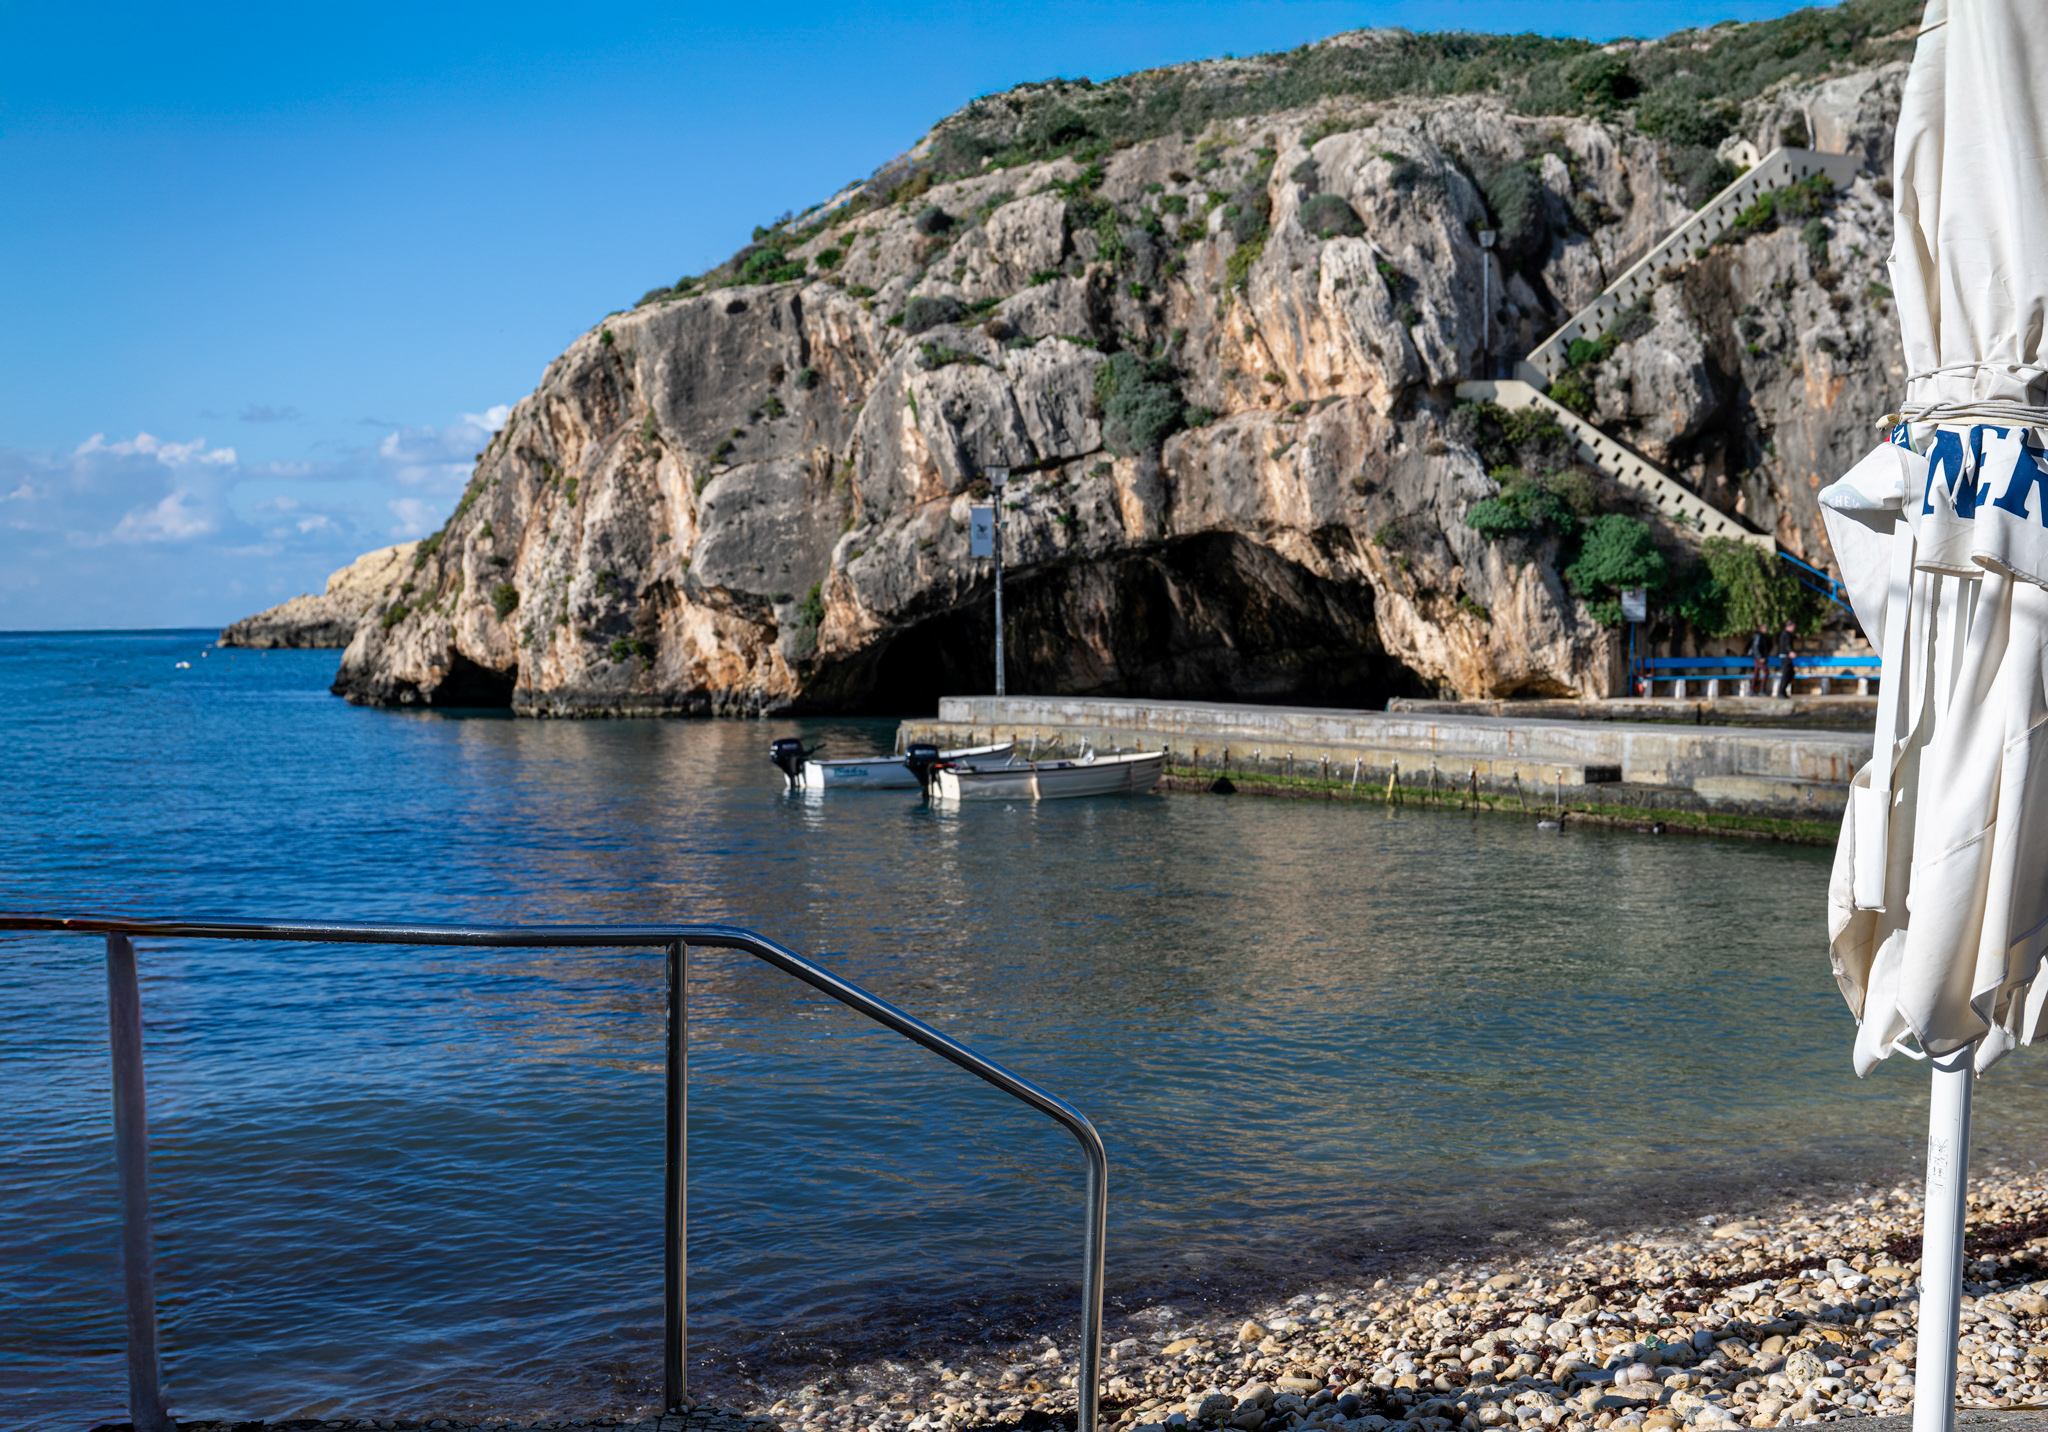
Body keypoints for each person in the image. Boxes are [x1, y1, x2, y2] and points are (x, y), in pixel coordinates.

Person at [1774, 620, 1798, 697]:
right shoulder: (1785, 634)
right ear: (1789, 626)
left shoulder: (1787, 634)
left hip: (1786, 656)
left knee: (1791, 673)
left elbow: (1791, 637)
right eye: (1793, 627)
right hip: (1785, 656)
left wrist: (1796, 637)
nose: (1794, 628)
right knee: (1786, 674)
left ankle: (1783, 691)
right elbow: (1787, 644)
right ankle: (1781, 691)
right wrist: (1790, 651)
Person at [1747, 625, 1769, 695]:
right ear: (1761, 628)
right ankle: (1762, 690)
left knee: (1756, 674)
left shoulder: (1761, 636)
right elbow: (1756, 647)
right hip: (1759, 659)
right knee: (1766, 673)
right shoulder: (1758, 636)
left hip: (1759, 658)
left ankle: (1752, 690)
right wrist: (1760, 657)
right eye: (1765, 627)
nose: (1766, 629)